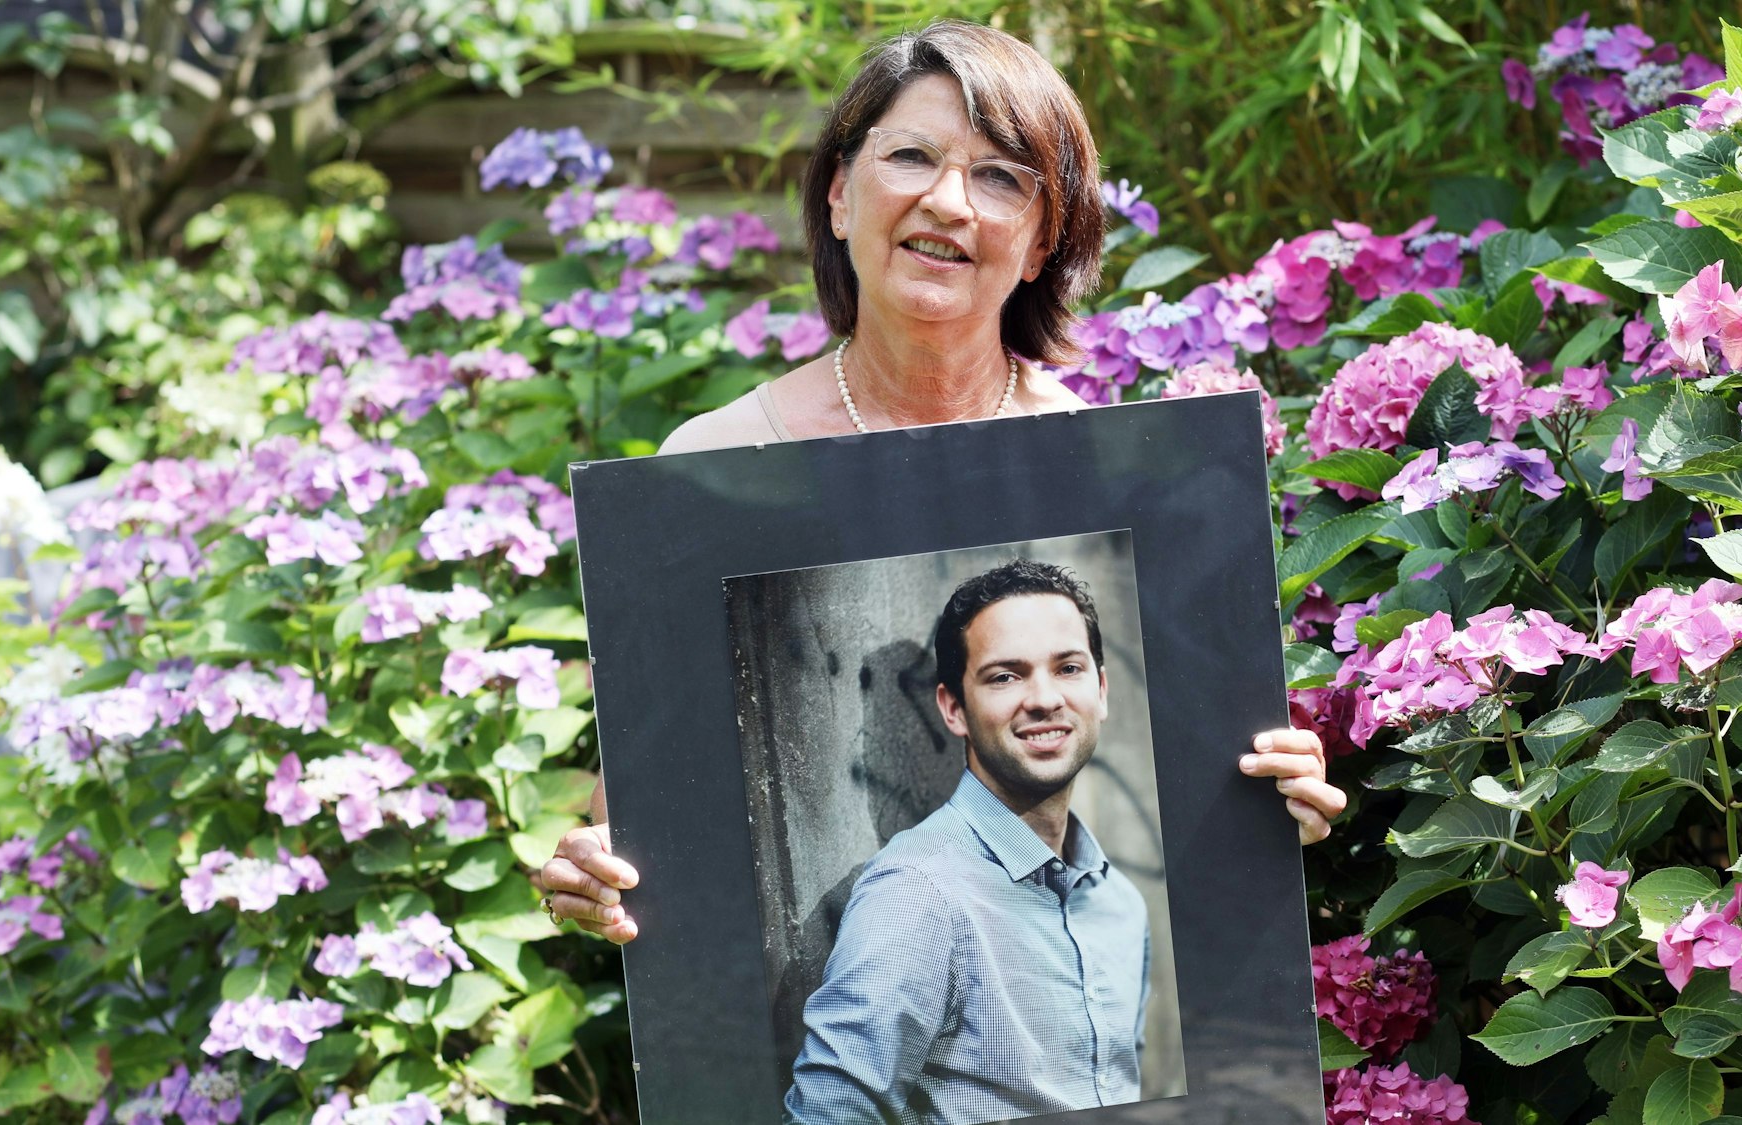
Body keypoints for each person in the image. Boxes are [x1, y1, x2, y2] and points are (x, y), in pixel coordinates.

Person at [537, 20, 1344, 945]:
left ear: (1044, 242)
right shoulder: (709, 472)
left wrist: (1260, 800)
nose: (949, 201)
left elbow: (1187, 782)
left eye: (1001, 176)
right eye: (912, 156)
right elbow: (641, 816)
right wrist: (593, 869)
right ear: (840, 195)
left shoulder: (1113, 479)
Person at [783, 559, 1150, 1123]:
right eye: (1005, 676)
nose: (1045, 698)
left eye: (1069, 668)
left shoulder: (1120, 902)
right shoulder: (917, 895)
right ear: (954, 708)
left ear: (1100, 690)